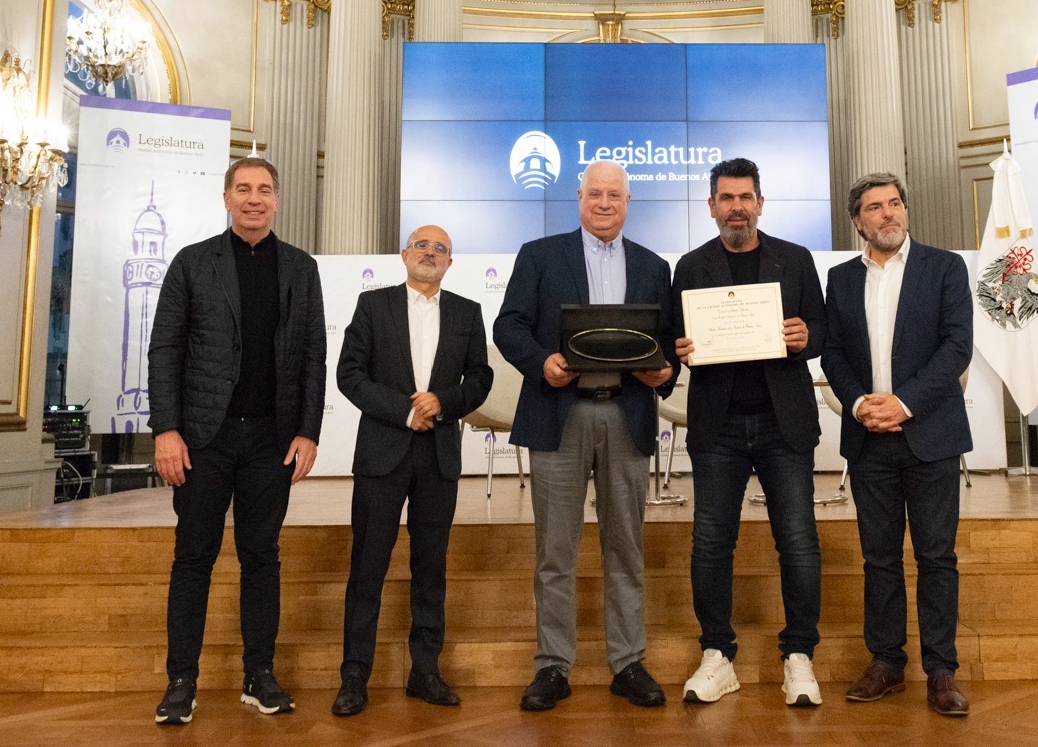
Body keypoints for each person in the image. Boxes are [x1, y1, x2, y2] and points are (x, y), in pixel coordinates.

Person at [147, 157, 326, 725]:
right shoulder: (192, 263)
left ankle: (259, 674)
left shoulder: (301, 267)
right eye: (244, 189)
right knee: (193, 558)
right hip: (202, 440)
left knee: (262, 559)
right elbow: (165, 351)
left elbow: (313, 355)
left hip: (272, 442)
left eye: (265, 190)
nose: (254, 198)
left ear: (277, 200)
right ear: (226, 198)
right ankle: (181, 682)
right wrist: (167, 430)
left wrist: (308, 431)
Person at [494, 159, 675, 712]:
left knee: (626, 547)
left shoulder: (652, 265)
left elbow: (668, 340)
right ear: (578, 198)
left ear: (627, 202)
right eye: (594, 194)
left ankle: (628, 662)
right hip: (560, 414)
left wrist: (664, 371)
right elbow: (508, 325)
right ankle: (552, 666)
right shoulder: (539, 255)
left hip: (627, 414)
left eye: (614, 196)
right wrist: (540, 361)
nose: (603, 203)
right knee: (555, 552)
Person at [671, 158, 826, 707]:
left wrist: (808, 333)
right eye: (726, 198)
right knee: (711, 544)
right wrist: (679, 350)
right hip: (719, 427)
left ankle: (799, 655)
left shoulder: (796, 259)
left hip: (784, 422)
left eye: (745, 197)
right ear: (711, 206)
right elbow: (674, 339)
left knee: (799, 543)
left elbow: (825, 330)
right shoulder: (690, 268)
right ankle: (717, 653)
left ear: (761, 203)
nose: (736, 207)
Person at [821, 173, 973, 718]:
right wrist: (861, 403)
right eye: (874, 207)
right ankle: (886, 662)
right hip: (868, 438)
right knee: (878, 558)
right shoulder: (839, 279)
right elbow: (832, 352)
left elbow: (956, 347)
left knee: (937, 557)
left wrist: (902, 403)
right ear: (857, 221)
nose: (888, 214)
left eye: (894, 204)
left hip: (929, 434)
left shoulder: (945, 268)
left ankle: (941, 672)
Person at [331, 225, 494, 717]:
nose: (429, 253)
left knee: (430, 569)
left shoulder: (468, 312)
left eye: (440, 248)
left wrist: (443, 402)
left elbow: (481, 378)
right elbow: (349, 374)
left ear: (450, 262)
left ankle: (425, 671)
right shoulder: (372, 306)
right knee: (367, 568)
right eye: (421, 245)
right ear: (404, 255)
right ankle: (354, 676)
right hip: (384, 452)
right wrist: (405, 410)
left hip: (439, 455)